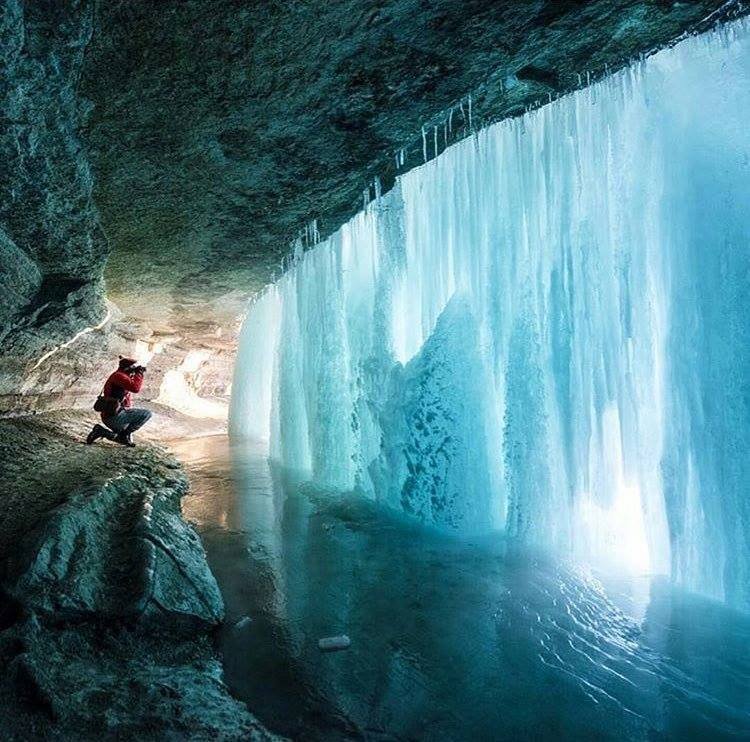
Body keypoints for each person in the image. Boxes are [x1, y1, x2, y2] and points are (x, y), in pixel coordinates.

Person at [86, 357, 153, 447]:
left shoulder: (118, 375)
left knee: (124, 439)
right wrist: (139, 373)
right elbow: (135, 388)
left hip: (110, 415)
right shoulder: (119, 376)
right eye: (132, 367)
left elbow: (127, 400)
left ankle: (101, 431)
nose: (134, 369)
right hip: (114, 417)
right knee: (147, 414)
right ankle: (118, 434)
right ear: (127, 368)